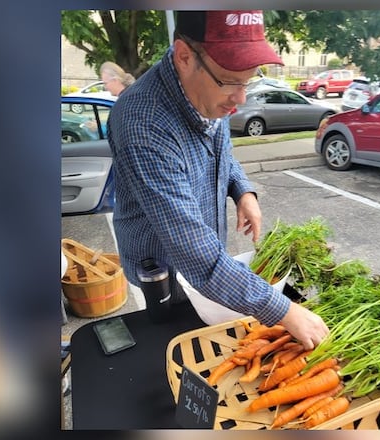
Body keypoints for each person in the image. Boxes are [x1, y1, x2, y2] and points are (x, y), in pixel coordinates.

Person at [107, 10, 329, 350]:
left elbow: (221, 153)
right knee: (173, 341)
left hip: (206, 255)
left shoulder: (208, 93)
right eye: (230, 81)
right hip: (164, 271)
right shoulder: (143, 123)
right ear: (184, 56)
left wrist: (242, 190)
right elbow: (197, 256)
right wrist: (283, 310)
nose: (241, 100)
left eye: (247, 81)